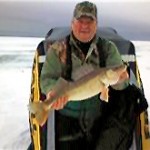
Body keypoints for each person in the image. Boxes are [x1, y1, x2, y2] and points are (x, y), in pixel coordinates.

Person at [40, 1, 146, 150]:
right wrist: (53, 92)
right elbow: (46, 79)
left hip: (101, 117)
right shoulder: (57, 49)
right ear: (72, 23)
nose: (85, 25)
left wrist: (121, 80)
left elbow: (119, 82)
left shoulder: (108, 48)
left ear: (96, 25)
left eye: (90, 21)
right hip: (68, 116)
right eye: (80, 21)